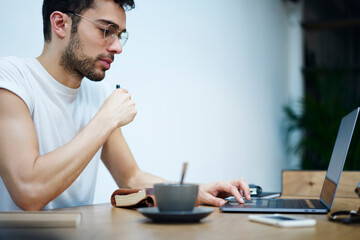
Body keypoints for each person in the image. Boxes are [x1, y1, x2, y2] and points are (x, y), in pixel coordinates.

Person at [0, 0, 251, 211]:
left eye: (120, 35)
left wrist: (194, 191)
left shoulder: (97, 93)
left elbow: (131, 176)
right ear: (60, 24)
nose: (117, 47)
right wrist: (106, 119)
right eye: (105, 30)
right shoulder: (12, 78)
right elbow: (28, 191)